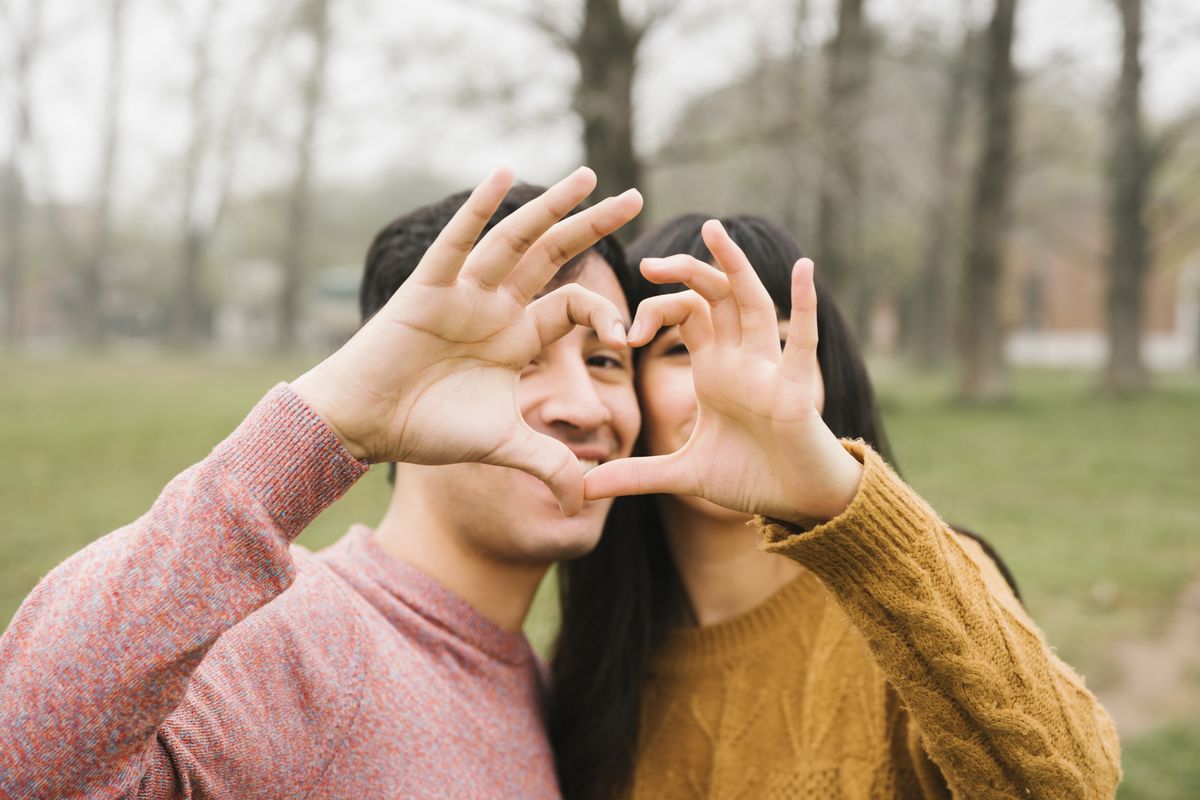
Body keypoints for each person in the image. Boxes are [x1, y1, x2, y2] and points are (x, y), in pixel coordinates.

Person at [0, 167, 643, 799]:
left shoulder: (548, 687)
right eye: (520, 355)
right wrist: (324, 422)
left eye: (607, 360)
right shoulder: (301, 642)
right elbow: (24, 764)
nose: (584, 407)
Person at [550, 214, 1122, 799]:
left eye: (775, 342)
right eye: (682, 347)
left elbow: (1071, 788)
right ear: (630, 389)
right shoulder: (596, 655)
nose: (738, 379)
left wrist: (849, 511)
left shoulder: (924, 591)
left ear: (828, 379)